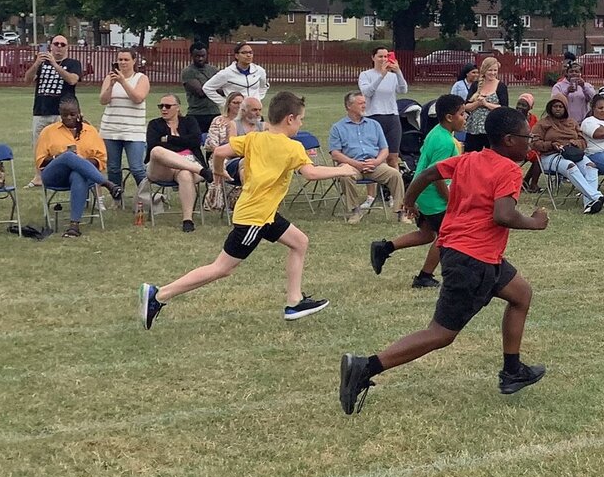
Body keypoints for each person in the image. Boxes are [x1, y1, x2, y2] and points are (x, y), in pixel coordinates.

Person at [338, 107, 550, 413]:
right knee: (441, 334)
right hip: (473, 259)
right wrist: (535, 221)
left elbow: (427, 173)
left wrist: (409, 201)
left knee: (521, 294)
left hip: (463, 252)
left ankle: (512, 370)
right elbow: (503, 215)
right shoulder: (508, 170)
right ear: (508, 140)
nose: (530, 142)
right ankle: (365, 367)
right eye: (526, 137)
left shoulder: (470, 158)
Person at [141, 91, 359, 328]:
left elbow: (220, 152)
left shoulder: (255, 138)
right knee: (222, 268)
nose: (301, 124)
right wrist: (344, 170)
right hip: (255, 218)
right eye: (301, 119)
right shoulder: (292, 147)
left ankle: (294, 302)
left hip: (262, 213)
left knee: (300, 242)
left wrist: (217, 171)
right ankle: (159, 295)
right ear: (289, 119)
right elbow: (311, 173)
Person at [370, 94, 467, 288]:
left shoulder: (437, 132)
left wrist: (412, 198)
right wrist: (451, 201)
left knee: (427, 234)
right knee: (448, 237)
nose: (465, 118)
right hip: (433, 197)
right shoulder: (445, 141)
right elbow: (436, 175)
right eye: (463, 114)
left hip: (422, 192)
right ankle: (424, 277)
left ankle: (384, 248)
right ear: (449, 117)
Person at [35, 99, 124, 238]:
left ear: (79, 113)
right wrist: (59, 158)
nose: (68, 118)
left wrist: (81, 162)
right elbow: (41, 161)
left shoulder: (90, 131)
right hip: (54, 174)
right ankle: (107, 184)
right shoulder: (48, 131)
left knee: (78, 174)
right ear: (60, 114)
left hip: (83, 175)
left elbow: (100, 160)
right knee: (68, 156)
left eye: (72, 114)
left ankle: (74, 226)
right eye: (64, 115)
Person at [328, 91, 408, 224]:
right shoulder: (338, 128)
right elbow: (335, 153)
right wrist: (355, 164)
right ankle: (355, 211)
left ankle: (401, 211)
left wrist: (376, 161)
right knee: (344, 176)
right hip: (351, 165)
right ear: (349, 106)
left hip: (374, 164)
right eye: (360, 103)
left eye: (365, 103)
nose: (364, 106)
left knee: (395, 174)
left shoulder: (374, 125)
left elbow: (385, 149)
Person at [144, 94, 210, 231]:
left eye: (167, 106)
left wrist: (168, 139)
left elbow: (195, 141)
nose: (163, 109)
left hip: (189, 163)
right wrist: (180, 142)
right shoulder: (154, 124)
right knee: (157, 151)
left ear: (178, 108)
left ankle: (188, 220)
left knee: (185, 174)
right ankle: (201, 170)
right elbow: (153, 144)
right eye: (160, 106)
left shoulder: (190, 121)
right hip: (162, 168)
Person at [531, 95, 604, 214]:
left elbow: (583, 141)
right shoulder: (543, 124)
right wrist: (551, 144)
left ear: (565, 108)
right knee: (570, 166)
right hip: (550, 156)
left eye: (561, 106)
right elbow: (534, 143)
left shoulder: (572, 122)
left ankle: (590, 204)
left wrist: (575, 143)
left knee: (591, 166)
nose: (558, 109)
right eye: (555, 106)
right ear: (550, 107)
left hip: (572, 153)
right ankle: (596, 196)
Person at [24, 35, 83, 181]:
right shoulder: (41, 64)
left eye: (63, 44)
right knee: (39, 145)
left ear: (67, 47)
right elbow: (27, 79)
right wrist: (37, 63)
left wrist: (55, 65)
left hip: (63, 112)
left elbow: (72, 80)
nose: (59, 47)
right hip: (41, 110)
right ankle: (38, 176)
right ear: (51, 46)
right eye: (56, 44)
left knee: (64, 145)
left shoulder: (73, 63)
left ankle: (64, 173)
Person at [98, 48, 150, 196]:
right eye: (120, 60)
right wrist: (112, 84)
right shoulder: (110, 77)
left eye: (126, 59)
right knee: (113, 168)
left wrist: (123, 82)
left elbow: (138, 98)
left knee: (137, 167)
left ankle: (146, 197)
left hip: (134, 131)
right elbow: (103, 100)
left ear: (134, 61)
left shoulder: (141, 78)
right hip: (111, 129)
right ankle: (117, 197)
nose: (122, 63)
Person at [358, 46, 409, 169]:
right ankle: (374, 188)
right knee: (374, 157)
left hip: (392, 117)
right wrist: (381, 76)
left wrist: (398, 72)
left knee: (393, 157)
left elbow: (403, 90)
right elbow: (367, 92)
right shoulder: (366, 75)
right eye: (380, 56)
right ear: (373, 58)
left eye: (386, 56)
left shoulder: (392, 76)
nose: (383, 59)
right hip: (373, 116)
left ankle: (395, 187)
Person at [202, 42, 269, 108]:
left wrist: (257, 99)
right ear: (236, 56)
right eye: (244, 53)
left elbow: (264, 86)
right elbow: (207, 88)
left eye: (250, 52)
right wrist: (225, 103)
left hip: (254, 112)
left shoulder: (259, 71)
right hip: (236, 113)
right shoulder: (226, 73)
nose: (248, 55)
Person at [462, 57, 508, 152]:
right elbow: (466, 106)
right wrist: (478, 103)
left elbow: (504, 108)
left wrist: (486, 104)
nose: (493, 73)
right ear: (484, 70)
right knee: (471, 153)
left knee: (491, 154)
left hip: (492, 127)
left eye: (495, 70)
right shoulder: (475, 85)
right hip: (474, 127)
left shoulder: (501, 86)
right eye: (490, 70)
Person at [180, 43, 220, 134]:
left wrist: (208, 87)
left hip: (214, 112)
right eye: (197, 56)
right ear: (191, 56)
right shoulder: (188, 72)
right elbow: (200, 92)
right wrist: (214, 87)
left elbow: (223, 90)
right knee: (195, 142)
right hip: (196, 113)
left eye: (203, 56)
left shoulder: (213, 70)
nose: (200, 59)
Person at [515, 93, 543, 191]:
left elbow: (537, 133)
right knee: (535, 154)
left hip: (529, 147)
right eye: (519, 104)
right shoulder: (513, 118)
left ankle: (531, 183)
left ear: (530, 107)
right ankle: (527, 182)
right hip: (515, 148)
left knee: (539, 156)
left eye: (524, 105)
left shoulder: (533, 118)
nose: (520, 107)